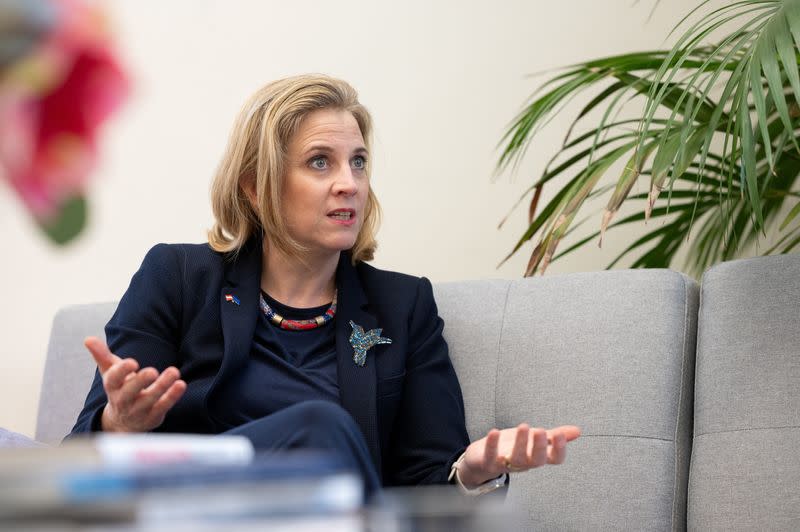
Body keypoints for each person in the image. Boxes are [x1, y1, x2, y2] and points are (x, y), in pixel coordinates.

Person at [70, 74, 580, 498]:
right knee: (320, 427)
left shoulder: (403, 307)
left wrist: (471, 472)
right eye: (321, 162)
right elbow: (76, 458)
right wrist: (121, 422)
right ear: (255, 185)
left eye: (358, 161)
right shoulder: (178, 278)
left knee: (323, 430)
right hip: (193, 513)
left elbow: (425, 487)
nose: (350, 183)